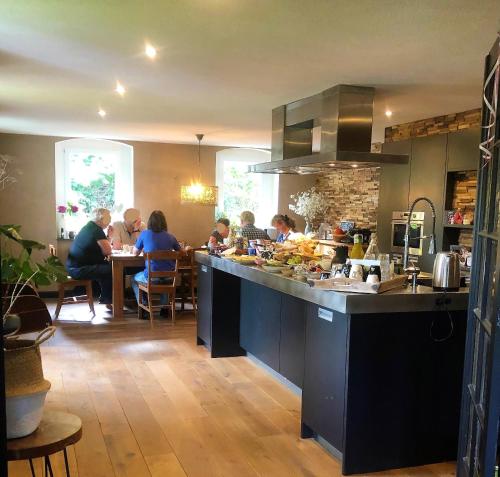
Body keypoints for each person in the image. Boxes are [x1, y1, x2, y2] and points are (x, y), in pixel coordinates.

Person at [131, 210, 183, 309]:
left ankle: (144, 305)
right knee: (165, 276)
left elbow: (135, 253)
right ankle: (164, 308)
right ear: (164, 222)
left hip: (152, 278)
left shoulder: (144, 234)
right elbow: (181, 252)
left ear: (150, 222)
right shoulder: (171, 236)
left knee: (133, 278)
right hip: (170, 278)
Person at [66, 208, 113, 306]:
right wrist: (110, 237)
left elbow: (104, 248)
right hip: (79, 270)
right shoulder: (96, 230)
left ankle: (107, 298)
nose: (110, 220)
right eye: (108, 217)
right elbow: (107, 251)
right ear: (101, 218)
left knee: (108, 267)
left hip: (73, 267)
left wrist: (108, 236)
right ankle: (109, 300)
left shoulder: (90, 227)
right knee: (113, 269)